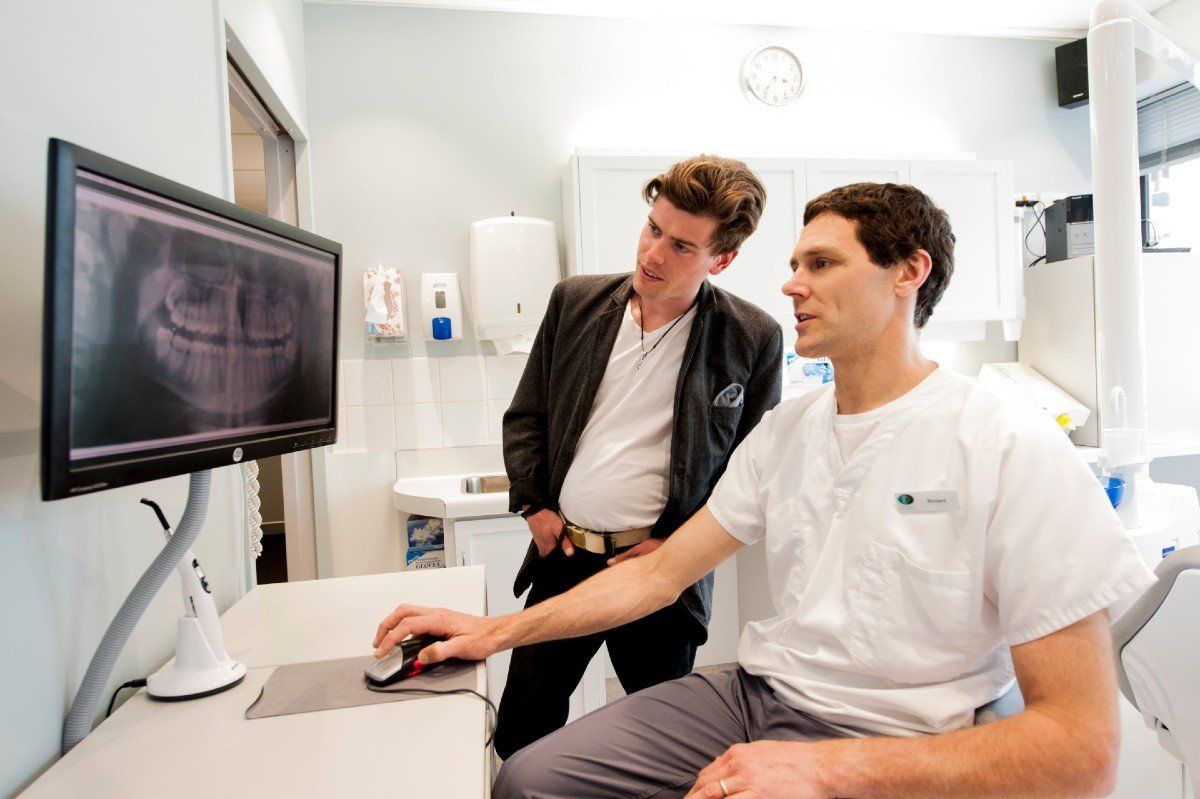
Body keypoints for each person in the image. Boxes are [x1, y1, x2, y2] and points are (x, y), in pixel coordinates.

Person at [373, 182, 1156, 799]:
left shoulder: (1006, 445)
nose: (791, 285)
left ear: (908, 272)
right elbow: (656, 571)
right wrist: (492, 631)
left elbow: (1082, 751)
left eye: (821, 264)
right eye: (795, 264)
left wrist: (824, 770)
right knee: (529, 778)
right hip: (758, 692)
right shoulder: (788, 433)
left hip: (900, 730)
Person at [488, 155, 783, 758]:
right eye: (653, 228)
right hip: (565, 556)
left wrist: (677, 545)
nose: (652, 254)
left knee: (658, 745)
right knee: (522, 728)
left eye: (681, 246)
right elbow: (527, 417)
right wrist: (535, 506)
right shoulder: (575, 304)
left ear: (720, 260)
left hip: (660, 575)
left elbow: (754, 469)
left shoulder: (751, 337)